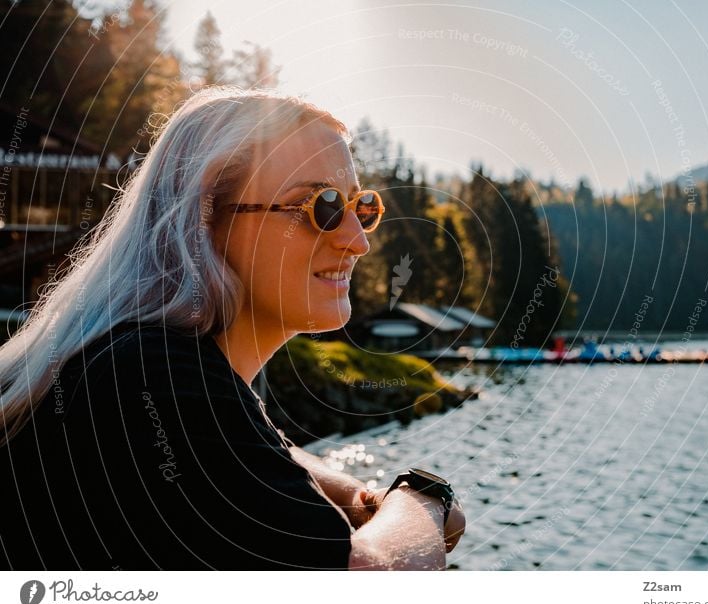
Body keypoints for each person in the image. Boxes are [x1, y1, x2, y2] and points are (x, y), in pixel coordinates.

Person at [0, 86, 465, 570]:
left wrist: (356, 495)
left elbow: (251, 444)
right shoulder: (154, 377)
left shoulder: (135, 359)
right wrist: (424, 497)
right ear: (203, 220)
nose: (357, 242)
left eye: (360, 207)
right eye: (321, 206)